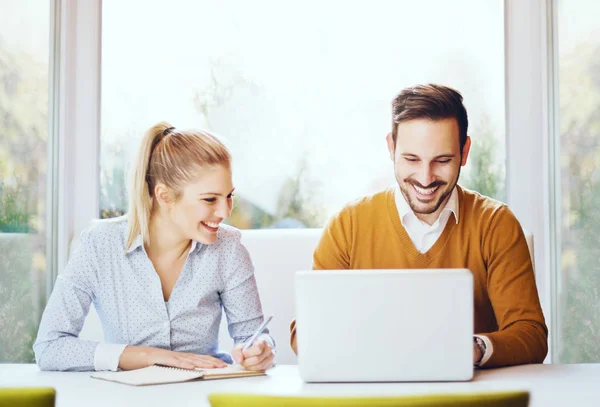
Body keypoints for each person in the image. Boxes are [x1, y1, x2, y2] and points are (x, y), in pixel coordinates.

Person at [289, 84, 547, 368]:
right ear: (391, 147)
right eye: (412, 159)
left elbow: (531, 335)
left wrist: (473, 348)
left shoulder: (495, 224)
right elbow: (305, 334)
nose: (426, 178)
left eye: (443, 160)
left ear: (464, 151)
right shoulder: (348, 225)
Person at [34, 122, 275, 372]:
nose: (225, 211)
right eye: (210, 199)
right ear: (164, 196)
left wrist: (261, 349)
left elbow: (253, 336)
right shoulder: (100, 245)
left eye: (229, 196)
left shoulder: (229, 249)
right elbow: (50, 347)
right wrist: (149, 356)